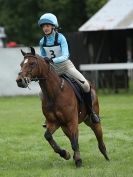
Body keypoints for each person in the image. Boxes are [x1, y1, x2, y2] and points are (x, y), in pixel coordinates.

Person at [38, 13, 100, 123]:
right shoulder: (42, 42)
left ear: (53, 26)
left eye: (47, 25)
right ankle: (48, 117)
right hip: (52, 70)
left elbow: (65, 55)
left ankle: (91, 112)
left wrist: (52, 60)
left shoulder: (61, 38)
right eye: (43, 26)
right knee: (41, 93)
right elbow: (42, 56)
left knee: (85, 85)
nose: (45, 28)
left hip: (66, 66)